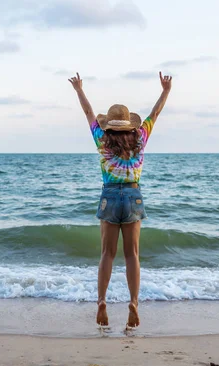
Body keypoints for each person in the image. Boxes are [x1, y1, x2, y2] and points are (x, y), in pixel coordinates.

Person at [69, 71, 172, 329]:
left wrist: (80, 90)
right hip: (134, 195)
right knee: (132, 254)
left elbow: (88, 114)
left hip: (110, 195)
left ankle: (102, 301)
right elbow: (155, 114)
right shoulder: (140, 139)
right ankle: (134, 303)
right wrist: (165, 91)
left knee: (107, 253)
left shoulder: (102, 140)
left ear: (109, 125)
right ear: (129, 123)